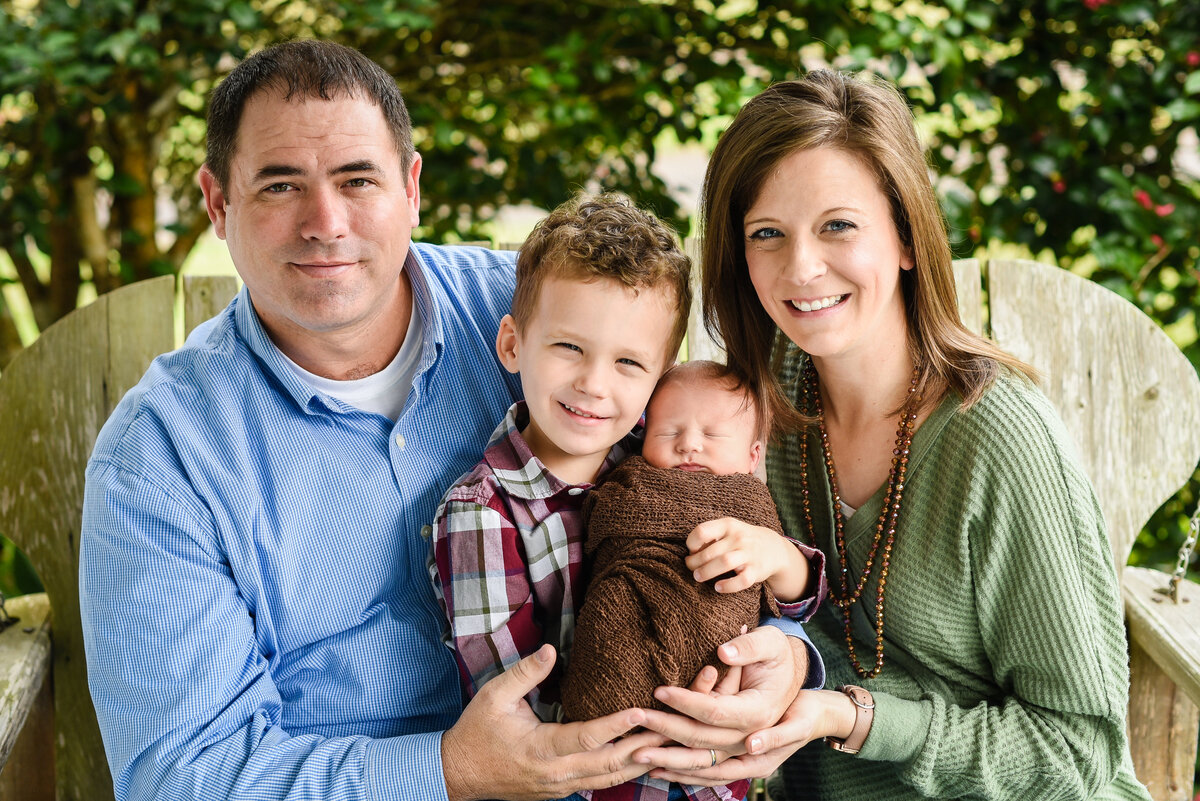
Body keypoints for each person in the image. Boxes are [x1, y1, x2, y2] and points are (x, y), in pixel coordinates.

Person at [78, 40, 815, 801]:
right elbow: (182, 777)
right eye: (279, 185)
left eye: (358, 179)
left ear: (411, 186)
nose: (325, 223)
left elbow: (699, 485)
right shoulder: (161, 460)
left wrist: (784, 655)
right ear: (218, 204)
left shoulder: (552, 320)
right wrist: (447, 771)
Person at [633, 69, 1153, 800]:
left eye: (838, 225)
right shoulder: (749, 412)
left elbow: (1075, 754)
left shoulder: (1001, 442)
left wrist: (851, 715)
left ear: (907, 237)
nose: (802, 267)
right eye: (767, 234)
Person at [429, 198, 824, 801]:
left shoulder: (674, 464)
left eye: (629, 362)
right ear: (513, 344)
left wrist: (775, 593)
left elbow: (769, 598)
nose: (594, 384)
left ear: (658, 379)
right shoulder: (483, 512)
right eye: (568, 347)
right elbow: (517, 715)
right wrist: (674, 729)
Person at [561, 360, 821, 727]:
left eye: (712, 435)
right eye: (668, 432)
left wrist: (778, 557)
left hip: (721, 666)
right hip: (626, 614)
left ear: (753, 456)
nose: (689, 445)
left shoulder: (750, 504)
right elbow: (603, 521)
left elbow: (799, 596)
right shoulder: (629, 483)